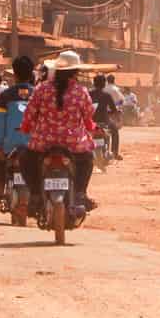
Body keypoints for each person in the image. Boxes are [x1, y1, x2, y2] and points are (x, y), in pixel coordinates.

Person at [22, 51, 97, 211]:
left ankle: (35, 195)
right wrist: (91, 128)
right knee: (88, 158)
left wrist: (26, 128)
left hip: (43, 143)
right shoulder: (81, 91)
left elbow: (29, 113)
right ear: (76, 72)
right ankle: (80, 193)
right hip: (74, 144)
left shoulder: (41, 89)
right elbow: (88, 116)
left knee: (26, 159)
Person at [0, 56, 36, 199]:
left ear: (14, 74)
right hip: (34, 146)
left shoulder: (6, 95)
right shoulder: (39, 94)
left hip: (9, 146)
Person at [91, 73, 122, 161]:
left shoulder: (89, 93)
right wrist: (118, 118)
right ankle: (115, 153)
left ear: (94, 83)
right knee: (115, 130)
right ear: (104, 83)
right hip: (104, 121)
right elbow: (114, 110)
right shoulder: (106, 95)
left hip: (91, 121)